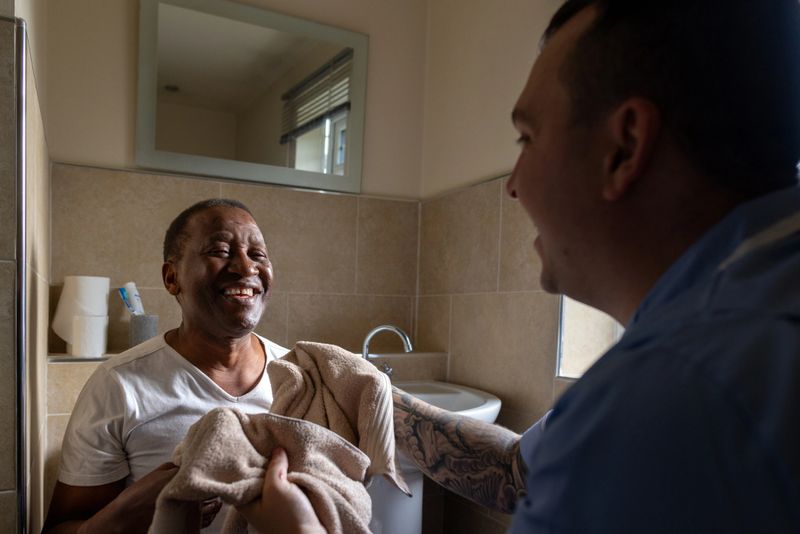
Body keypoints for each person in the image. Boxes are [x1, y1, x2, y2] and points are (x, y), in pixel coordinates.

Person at [239, 0, 800, 532]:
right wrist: (361, 387)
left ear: (625, 148)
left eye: (526, 138)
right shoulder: (747, 314)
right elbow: (515, 473)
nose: (512, 185)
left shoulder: (670, 399)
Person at [43, 199, 289, 534]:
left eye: (258, 254)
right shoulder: (120, 386)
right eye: (219, 250)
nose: (246, 267)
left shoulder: (299, 377)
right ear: (172, 277)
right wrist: (124, 516)